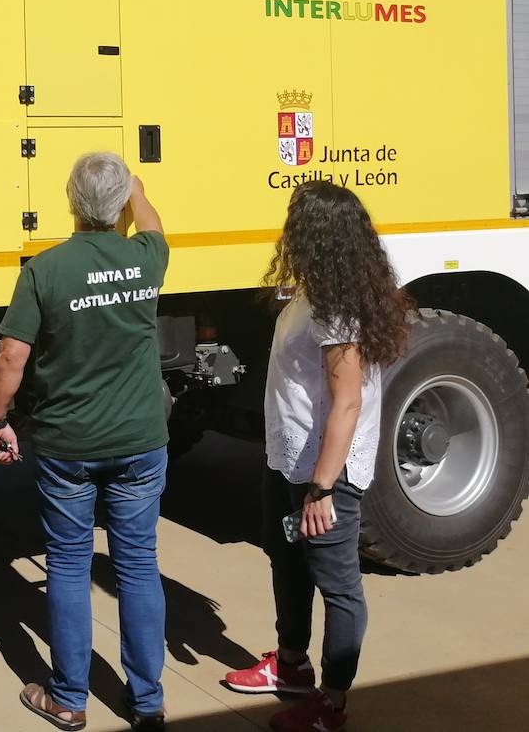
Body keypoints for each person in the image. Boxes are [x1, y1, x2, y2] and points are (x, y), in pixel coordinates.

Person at [0, 152, 169, 732]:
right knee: (138, 565)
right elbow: (155, 225)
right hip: (141, 439)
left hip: (70, 445)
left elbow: (13, 355)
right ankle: (147, 703)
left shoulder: (46, 270)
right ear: (118, 207)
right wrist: (136, 188)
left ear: (70, 202)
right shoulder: (146, 258)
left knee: (67, 564)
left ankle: (68, 699)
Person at [223, 181, 411, 732]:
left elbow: (347, 401)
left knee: (339, 586)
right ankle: (291, 666)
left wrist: (323, 489)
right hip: (289, 461)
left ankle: (331, 705)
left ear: (315, 235)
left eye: (294, 222)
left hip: (324, 474)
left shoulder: (337, 306)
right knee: (287, 561)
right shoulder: (318, 292)